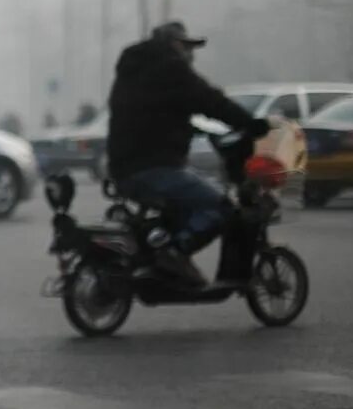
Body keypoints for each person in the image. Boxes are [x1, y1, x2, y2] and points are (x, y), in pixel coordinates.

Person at [106, 21, 269, 286]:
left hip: (125, 168)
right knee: (220, 206)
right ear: (175, 45)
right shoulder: (170, 68)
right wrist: (249, 123)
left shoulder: (133, 70)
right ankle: (175, 253)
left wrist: (194, 131)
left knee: (185, 204)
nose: (190, 55)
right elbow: (209, 100)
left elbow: (151, 116)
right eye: (186, 47)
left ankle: (162, 260)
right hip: (155, 167)